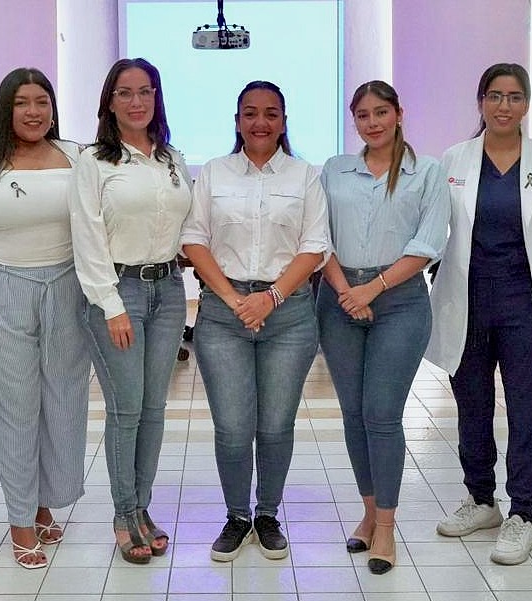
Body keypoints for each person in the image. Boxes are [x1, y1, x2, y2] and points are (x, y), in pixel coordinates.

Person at [426, 63, 532, 565]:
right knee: (471, 405)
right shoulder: (454, 159)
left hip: (525, 303)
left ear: (526, 104)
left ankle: (523, 515)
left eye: (514, 97)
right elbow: (433, 230)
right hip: (467, 300)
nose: (504, 106)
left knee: (526, 409)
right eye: (494, 96)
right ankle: (481, 500)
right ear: (481, 102)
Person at [0, 68, 89, 569]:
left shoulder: (76, 156)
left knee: (62, 400)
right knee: (14, 405)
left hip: (66, 287)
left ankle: (45, 501)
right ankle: (20, 519)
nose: (33, 111)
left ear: (52, 107)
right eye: (22, 102)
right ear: (5, 108)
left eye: (41, 101)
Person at [181, 81, 329, 562]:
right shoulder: (214, 173)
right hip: (224, 315)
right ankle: (237, 516)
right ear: (237, 121)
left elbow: (315, 246)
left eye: (270, 113)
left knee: (276, 425)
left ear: (283, 122)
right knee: (231, 426)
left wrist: (270, 297)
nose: (260, 122)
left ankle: (267, 514)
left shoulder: (305, 176)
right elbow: (194, 238)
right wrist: (234, 299)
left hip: (289, 315)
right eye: (250, 113)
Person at [317, 81, 450, 574]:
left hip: (399, 301)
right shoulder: (335, 170)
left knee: (382, 412)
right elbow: (319, 236)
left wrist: (370, 290)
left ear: (399, 113)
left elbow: (428, 242)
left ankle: (388, 527)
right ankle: (370, 513)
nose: (372, 123)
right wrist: (345, 292)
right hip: (338, 298)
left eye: (381, 112)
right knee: (354, 413)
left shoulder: (426, 172)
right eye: (363, 115)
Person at [69, 58, 191, 564]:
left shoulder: (171, 159)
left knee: (154, 409)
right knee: (126, 409)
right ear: (110, 102)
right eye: (125, 92)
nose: (137, 101)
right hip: (118, 292)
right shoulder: (94, 161)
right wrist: (111, 304)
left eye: (146, 91)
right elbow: (87, 236)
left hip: (169, 291)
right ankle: (123, 515)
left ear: (156, 97)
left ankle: (142, 508)